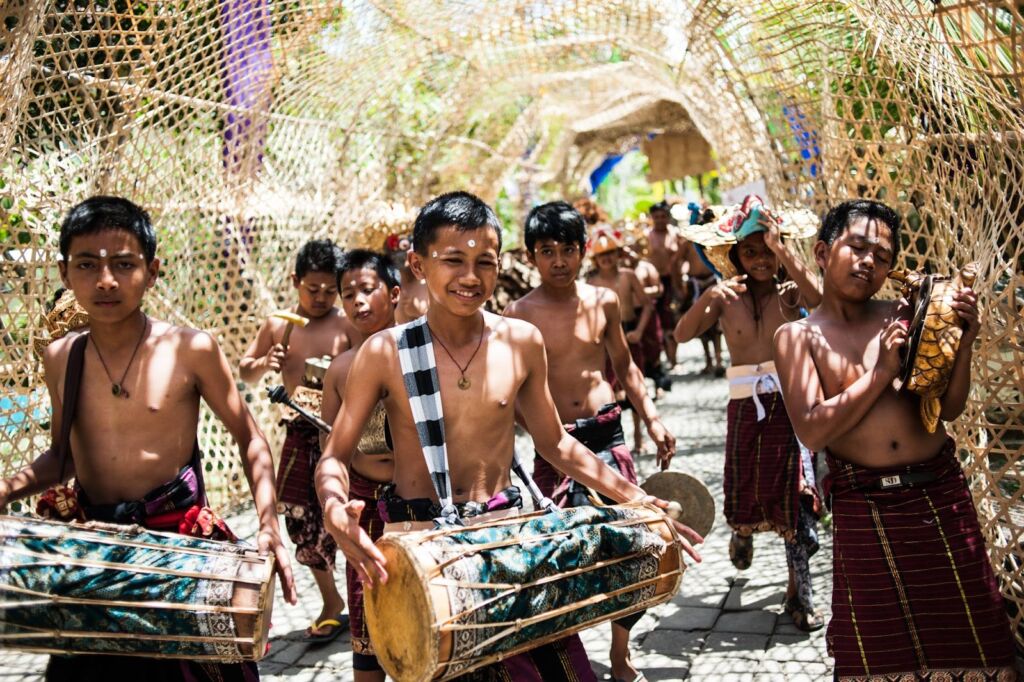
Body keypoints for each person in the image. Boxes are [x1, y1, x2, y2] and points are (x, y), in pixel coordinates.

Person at [316, 191, 701, 681]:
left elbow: (555, 444)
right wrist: (333, 509)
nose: (471, 276)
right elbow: (335, 456)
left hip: (506, 539)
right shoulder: (385, 353)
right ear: (417, 263)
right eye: (453, 260)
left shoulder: (520, 341)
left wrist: (637, 498)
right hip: (425, 549)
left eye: (485, 262)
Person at [0, 196, 296, 681]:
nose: (106, 280)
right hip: (97, 555)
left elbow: (251, 438)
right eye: (87, 264)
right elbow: (62, 458)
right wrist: (8, 488)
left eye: (123, 264)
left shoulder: (190, 349)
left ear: (153, 270)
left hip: (179, 554)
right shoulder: (61, 357)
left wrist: (269, 525)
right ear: (63, 272)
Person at [773, 200, 1017, 679]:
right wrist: (882, 372)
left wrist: (963, 343)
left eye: (882, 256)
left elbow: (946, 408)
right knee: (878, 651)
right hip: (864, 504)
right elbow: (812, 429)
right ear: (823, 251)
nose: (868, 261)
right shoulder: (797, 337)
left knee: (974, 638)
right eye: (857, 246)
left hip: (939, 495)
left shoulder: (909, 314)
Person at [505, 201, 677, 682]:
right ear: (531, 256)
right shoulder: (517, 316)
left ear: (583, 251)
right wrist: (533, 428)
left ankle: (621, 652)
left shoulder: (604, 300)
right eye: (547, 251)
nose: (558, 260)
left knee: (634, 542)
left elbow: (625, 366)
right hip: (554, 446)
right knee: (565, 554)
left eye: (567, 249)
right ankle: (575, 654)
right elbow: (510, 389)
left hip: (608, 432)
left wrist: (654, 418)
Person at [674, 195, 824, 630]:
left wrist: (784, 254)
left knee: (797, 497)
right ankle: (742, 531)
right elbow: (683, 334)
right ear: (734, 255)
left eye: (767, 249)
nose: (760, 260)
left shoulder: (790, 290)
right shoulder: (726, 296)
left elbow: (819, 301)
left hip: (791, 406)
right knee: (742, 484)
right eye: (751, 251)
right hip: (744, 407)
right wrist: (709, 298)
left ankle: (801, 595)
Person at [239, 239, 351, 643]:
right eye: (312, 289)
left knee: (351, 515)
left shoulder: (346, 324)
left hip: (344, 435)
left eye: (329, 290)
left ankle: (365, 597)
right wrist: (263, 363)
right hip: (299, 434)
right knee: (301, 522)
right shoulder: (279, 324)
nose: (320, 297)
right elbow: (246, 371)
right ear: (295, 281)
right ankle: (332, 600)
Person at [320, 249, 400, 681]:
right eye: (347, 294)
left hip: (419, 507)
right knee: (367, 621)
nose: (358, 301)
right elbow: (329, 449)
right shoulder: (340, 370)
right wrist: (337, 506)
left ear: (395, 292)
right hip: (364, 507)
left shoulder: (424, 356)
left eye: (368, 289)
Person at [677, 207, 725, 376]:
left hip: (713, 280)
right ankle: (709, 361)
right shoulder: (687, 243)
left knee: (717, 324)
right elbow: (676, 261)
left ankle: (718, 360)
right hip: (696, 284)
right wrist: (680, 284)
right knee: (701, 323)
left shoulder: (713, 237)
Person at [621, 242, 672, 396]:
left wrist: (639, 291)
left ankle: (659, 385)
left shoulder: (646, 267)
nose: (629, 253)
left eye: (632, 249)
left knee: (653, 349)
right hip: (629, 316)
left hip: (646, 312)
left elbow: (659, 289)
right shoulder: (620, 271)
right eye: (625, 250)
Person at [645, 201, 682, 367]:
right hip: (654, 284)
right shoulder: (646, 236)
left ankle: (674, 359)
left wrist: (681, 282)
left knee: (673, 322)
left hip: (673, 282)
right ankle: (667, 359)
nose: (660, 220)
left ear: (668, 217)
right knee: (658, 324)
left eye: (663, 216)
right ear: (652, 218)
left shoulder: (676, 234)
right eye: (656, 217)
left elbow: (684, 257)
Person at [384, 232, 429, 323]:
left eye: (404, 245)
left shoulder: (427, 282)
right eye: (392, 250)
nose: (397, 254)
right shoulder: (391, 290)